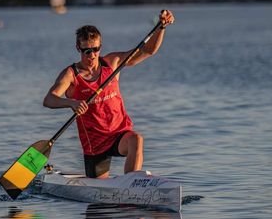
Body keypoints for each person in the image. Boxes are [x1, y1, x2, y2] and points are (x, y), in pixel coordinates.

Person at [43, 10, 175, 178]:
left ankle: (132, 184)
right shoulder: (71, 75)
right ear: (78, 48)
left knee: (137, 139)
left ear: (100, 46)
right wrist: (72, 103)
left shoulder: (112, 63)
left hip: (119, 133)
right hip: (95, 145)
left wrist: (161, 27)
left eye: (95, 49)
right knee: (99, 186)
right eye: (87, 51)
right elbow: (49, 99)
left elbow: (148, 51)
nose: (92, 55)